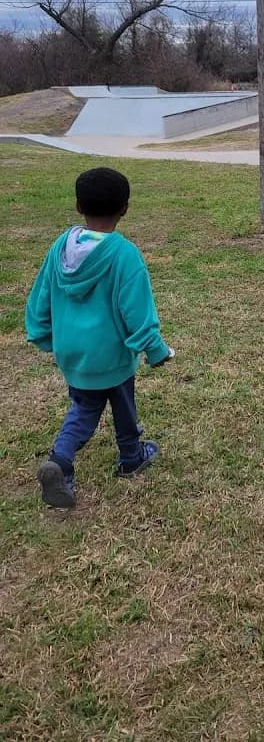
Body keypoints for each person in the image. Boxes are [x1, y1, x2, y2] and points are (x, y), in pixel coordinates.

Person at [25, 167, 173, 509]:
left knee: (85, 405)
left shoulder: (60, 248)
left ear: (79, 206)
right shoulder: (124, 254)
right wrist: (156, 350)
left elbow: (41, 295)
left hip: (72, 353)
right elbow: (136, 311)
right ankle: (118, 458)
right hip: (111, 355)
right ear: (125, 208)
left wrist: (42, 333)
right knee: (119, 404)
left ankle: (80, 459)